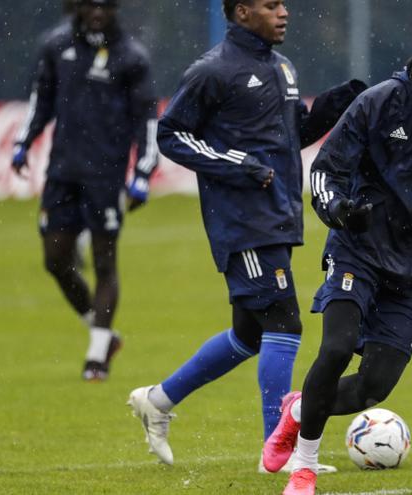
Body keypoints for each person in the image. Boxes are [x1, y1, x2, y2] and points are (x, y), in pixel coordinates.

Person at [262, 11, 412, 495]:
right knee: (335, 348)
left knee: (372, 387)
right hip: (360, 252)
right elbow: (325, 171)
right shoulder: (378, 103)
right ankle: (305, 468)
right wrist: (338, 211)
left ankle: (296, 410)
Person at [126, 0, 365, 472]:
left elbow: (287, 137)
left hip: (276, 215)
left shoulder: (282, 66)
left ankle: (158, 400)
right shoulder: (213, 71)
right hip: (241, 220)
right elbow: (172, 134)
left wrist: (335, 104)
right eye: (270, 5)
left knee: (249, 334)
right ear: (240, 12)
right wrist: (238, 165)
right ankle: (274, 450)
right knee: (285, 324)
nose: (284, 12)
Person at [12, 0, 158, 382]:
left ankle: (96, 357)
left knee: (104, 261)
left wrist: (143, 170)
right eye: (90, 4)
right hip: (61, 171)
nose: (98, 12)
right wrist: (23, 142)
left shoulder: (131, 56)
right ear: (75, 6)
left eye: (105, 5)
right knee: (55, 260)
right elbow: (39, 100)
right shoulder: (56, 46)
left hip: (106, 177)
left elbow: (147, 119)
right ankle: (103, 333)